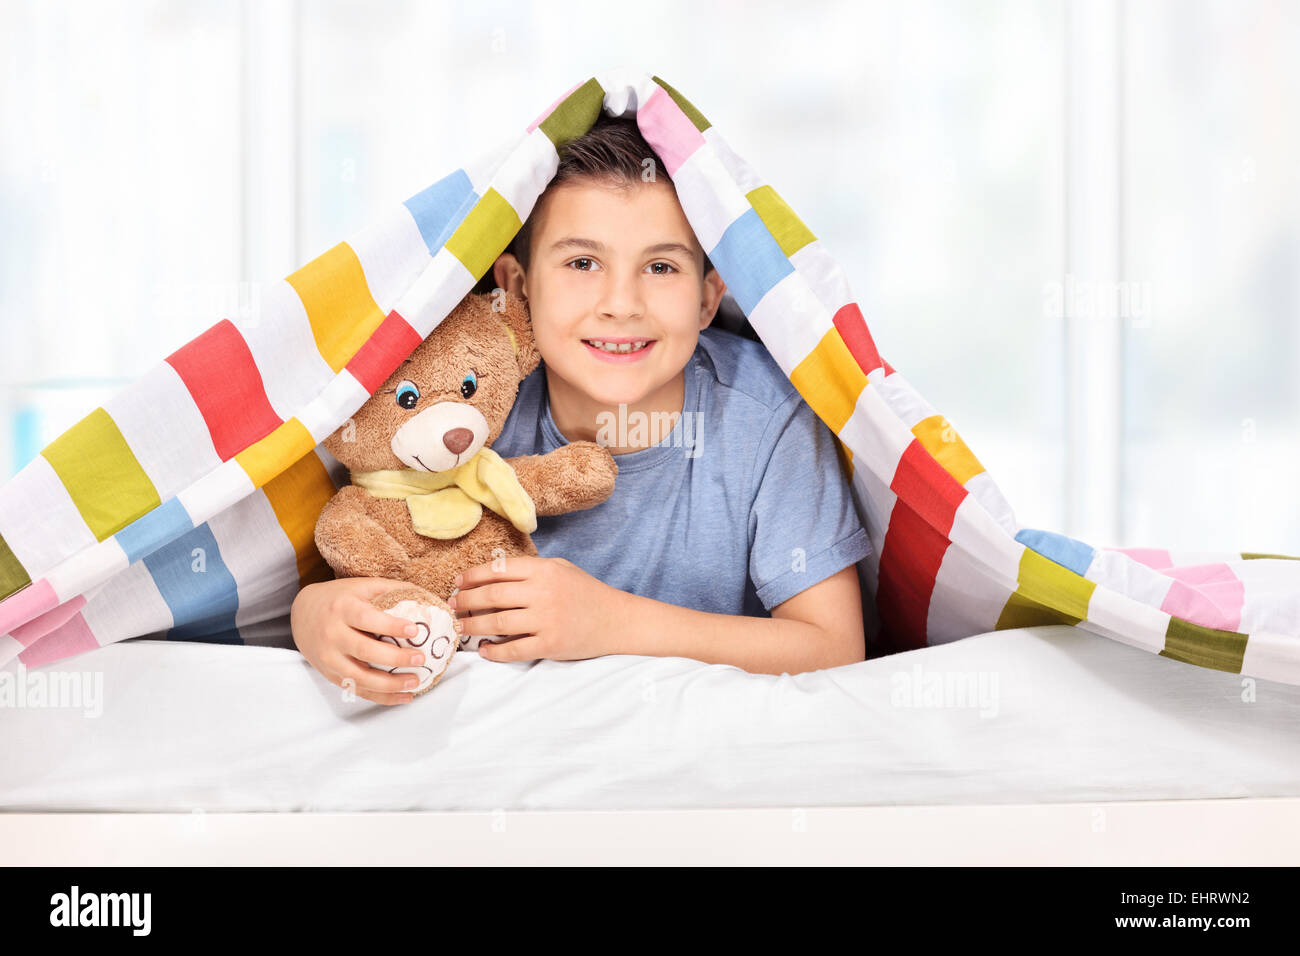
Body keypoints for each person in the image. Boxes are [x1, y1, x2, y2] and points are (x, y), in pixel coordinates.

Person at [291, 114, 872, 704]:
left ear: (706, 298)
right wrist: (312, 613)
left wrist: (611, 623)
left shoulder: (769, 419)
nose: (621, 305)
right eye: (582, 263)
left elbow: (833, 646)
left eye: (661, 267)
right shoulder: (464, 399)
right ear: (516, 288)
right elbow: (364, 529)